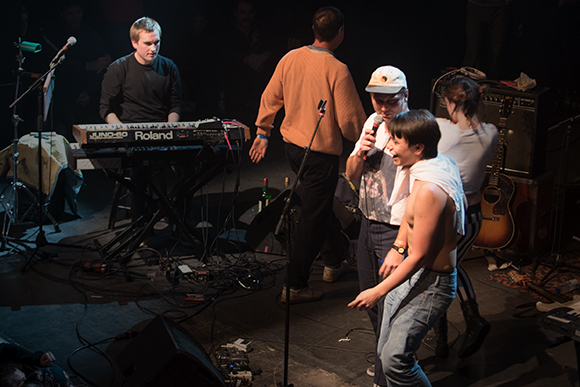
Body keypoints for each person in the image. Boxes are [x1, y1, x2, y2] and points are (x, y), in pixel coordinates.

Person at [249, 6, 366, 304]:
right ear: (340, 33)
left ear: (313, 30)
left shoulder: (290, 58)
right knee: (312, 218)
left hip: (292, 150)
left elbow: (269, 96)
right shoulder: (337, 69)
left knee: (320, 206)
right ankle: (295, 285)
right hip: (320, 157)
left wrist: (263, 132)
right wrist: (369, 139)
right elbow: (352, 123)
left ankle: (336, 258)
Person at [349, 109, 466, 387]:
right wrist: (398, 245)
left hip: (431, 283)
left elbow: (420, 256)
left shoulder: (429, 189)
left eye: (395, 142)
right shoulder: (429, 166)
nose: (389, 148)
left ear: (417, 147)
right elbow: (409, 219)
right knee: (383, 351)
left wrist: (378, 290)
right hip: (414, 274)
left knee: (394, 360)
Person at [344, 65, 409, 387]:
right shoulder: (372, 123)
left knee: (389, 308)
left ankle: (385, 378)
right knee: (370, 298)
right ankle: (389, 358)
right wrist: (363, 149)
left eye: (391, 101)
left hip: (396, 228)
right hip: (367, 222)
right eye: (377, 99)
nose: (383, 107)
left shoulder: (414, 128)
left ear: (405, 96)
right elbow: (351, 174)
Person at [433, 75, 498, 358]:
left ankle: (464, 325)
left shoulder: (443, 131)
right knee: (450, 267)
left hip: (449, 216)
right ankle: (451, 331)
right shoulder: (491, 133)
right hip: (474, 216)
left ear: (451, 103)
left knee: (441, 270)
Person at [99, 16, 182, 222]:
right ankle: (142, 226)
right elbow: (105, 108)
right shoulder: (119, 68)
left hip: (163, 130)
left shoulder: (169, 67)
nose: (153, 48)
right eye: (147, 43)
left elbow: (175, 104)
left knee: (188, 164)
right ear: (134, 43)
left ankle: (177, 222)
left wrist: (169, 131)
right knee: (140, 169)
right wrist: (122, 132)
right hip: (130, 131)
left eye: (157, 43)